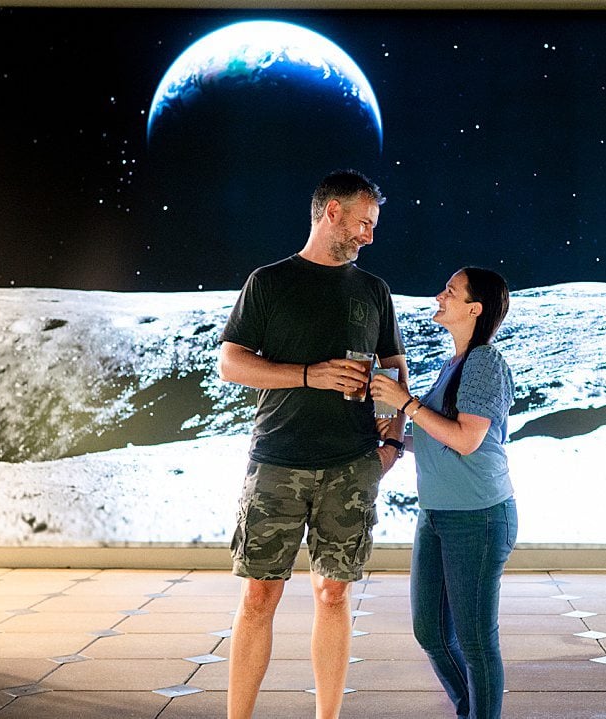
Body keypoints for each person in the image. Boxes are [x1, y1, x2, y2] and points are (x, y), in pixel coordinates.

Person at [218, 169, 408, 719]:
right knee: (259, 597)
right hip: (276, 461)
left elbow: (396, 368)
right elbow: (232, 363)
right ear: (333, 214)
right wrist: (310, 375)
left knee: (334, 593)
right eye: (365, 223)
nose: (371, 235)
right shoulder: (270, 282)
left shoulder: (373, 291)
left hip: (352, 466)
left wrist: (392, 443)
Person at [369, 267, 517, 719]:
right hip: (436, 514)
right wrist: (397, 441)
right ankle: (472, 710)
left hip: (479, 517)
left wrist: (406, 404)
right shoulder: (455, 363)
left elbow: (468, 439)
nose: (439, 296)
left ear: (475, 308)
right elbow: (443, 436)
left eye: (450, 292)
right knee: (430, 632)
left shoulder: (485, 362)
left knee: (475, 641)